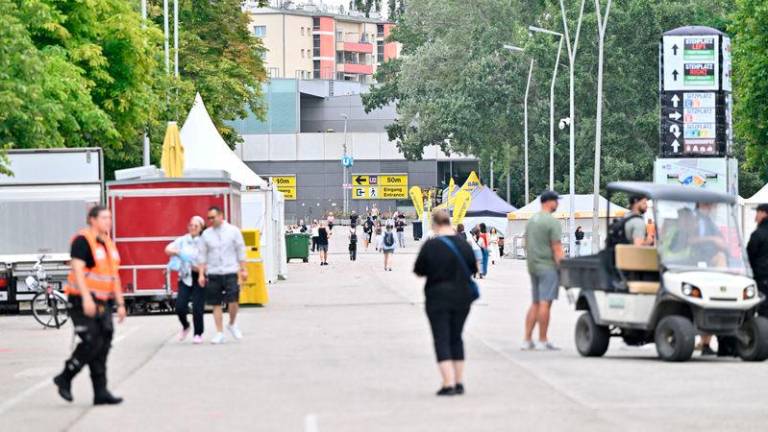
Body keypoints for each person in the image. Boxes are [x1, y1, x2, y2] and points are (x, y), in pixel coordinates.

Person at [53, 206, 126, 405]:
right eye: (104, 217)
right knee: (91, 341)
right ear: (92, 220)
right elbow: (77, 270)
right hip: (81, 301)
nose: (108, 221)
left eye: (110, 217)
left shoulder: (108, 244)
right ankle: (65, 376)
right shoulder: (82, 241)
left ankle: (100, 391)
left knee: (103, 344)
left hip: (104, 303)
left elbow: (114, 276)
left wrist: (120, 303)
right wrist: (86, 298)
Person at [414, 209, 478, 396]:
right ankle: (459, 382)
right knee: (456, 337)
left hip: (437, 296)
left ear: (434, 224)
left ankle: (448, 383)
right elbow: (474, 268)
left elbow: (419, 270)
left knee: (441, 337)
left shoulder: (431, 245)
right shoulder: (464, 244)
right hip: (463, 296)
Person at [197, 206, 247, 344]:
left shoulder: (233, 231)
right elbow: (202, 256)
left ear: (221, 216)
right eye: (209, 218)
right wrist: (201, 274)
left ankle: (232, 323)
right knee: (216, 303)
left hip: (230, 270)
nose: (211, 220)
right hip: (214, 272)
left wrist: (243, 269)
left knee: (233, 299)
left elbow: (240, 251)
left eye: (213, 217)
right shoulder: (206, 234)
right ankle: (219, 332)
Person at [522, 191, 564, 351]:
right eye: (556, 201)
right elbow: (557, 247)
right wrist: (563, 266)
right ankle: (542, 340)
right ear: (549, 202)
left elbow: (526, 243)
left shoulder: (532, 220)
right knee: (546, 302)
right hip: (547, 266)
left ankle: (526, 339)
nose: (557, 204)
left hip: (533, 265)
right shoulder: (552, 222)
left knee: (535, 302)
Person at [166, 216, 206, 344]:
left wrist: (201, 273)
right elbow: (167, 249)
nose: (193, 228)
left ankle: (198, 333)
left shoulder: (204, 242)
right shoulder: (182, 240)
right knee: (180, 307)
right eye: (191, 225)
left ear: (201, 228)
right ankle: (185, 325)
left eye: (196, 226)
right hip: (185, 276)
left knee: (197, 308)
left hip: (199, 275)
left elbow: (205, 260)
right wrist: (177, 253)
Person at [748, 204, 768, 317]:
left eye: (757, 212)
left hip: (762, 278)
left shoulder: (758, 234)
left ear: (764, 213)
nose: (756, 216)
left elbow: (749, 256)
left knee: (763, 310)